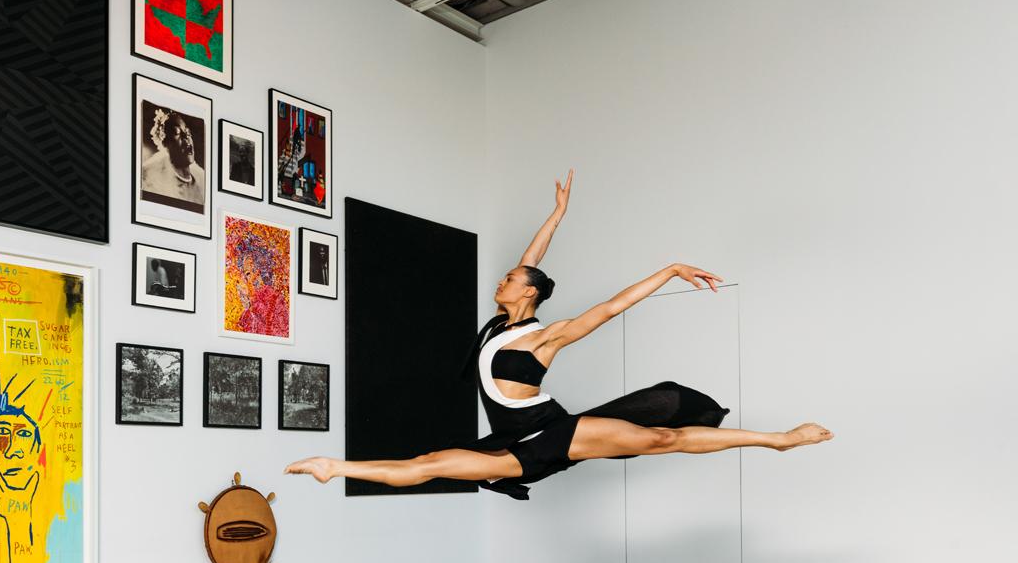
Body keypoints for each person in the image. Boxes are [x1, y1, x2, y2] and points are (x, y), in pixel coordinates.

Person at [285, 169, 832, 499]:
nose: (502, 278)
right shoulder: (503, 321)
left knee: (664, 440)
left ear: (528, 294)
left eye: (509, 279)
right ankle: (335, 467)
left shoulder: (547, 338)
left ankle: (780, 439)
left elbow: (613, 306)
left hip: (557, 432)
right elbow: (531, 258)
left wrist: (670, 269)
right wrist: (558, 213)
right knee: (430, 464)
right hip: (514, 449)